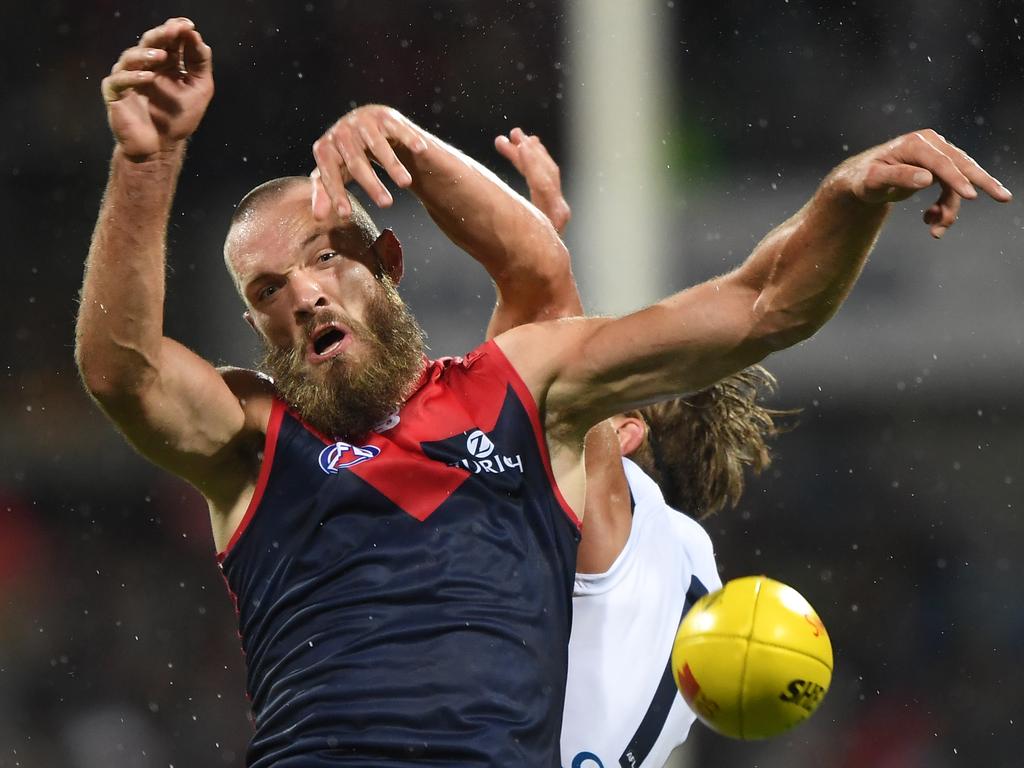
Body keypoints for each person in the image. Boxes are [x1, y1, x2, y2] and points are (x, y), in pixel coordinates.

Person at [76, 18, 1011, 768]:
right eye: (266, 294)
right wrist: (147, 163)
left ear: (388, 265)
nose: (304, 293)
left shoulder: (519, 391)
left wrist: (844, 196)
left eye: (326, 258)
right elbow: (124, 371)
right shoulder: (256, 440)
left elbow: (761, 305)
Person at [493, 131, 784, 768]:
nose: (584, 370)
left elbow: (521, 394)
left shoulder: (621, 506)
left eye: (607, 382)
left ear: (624, 433)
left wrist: (535, 256)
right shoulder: (688, 566)